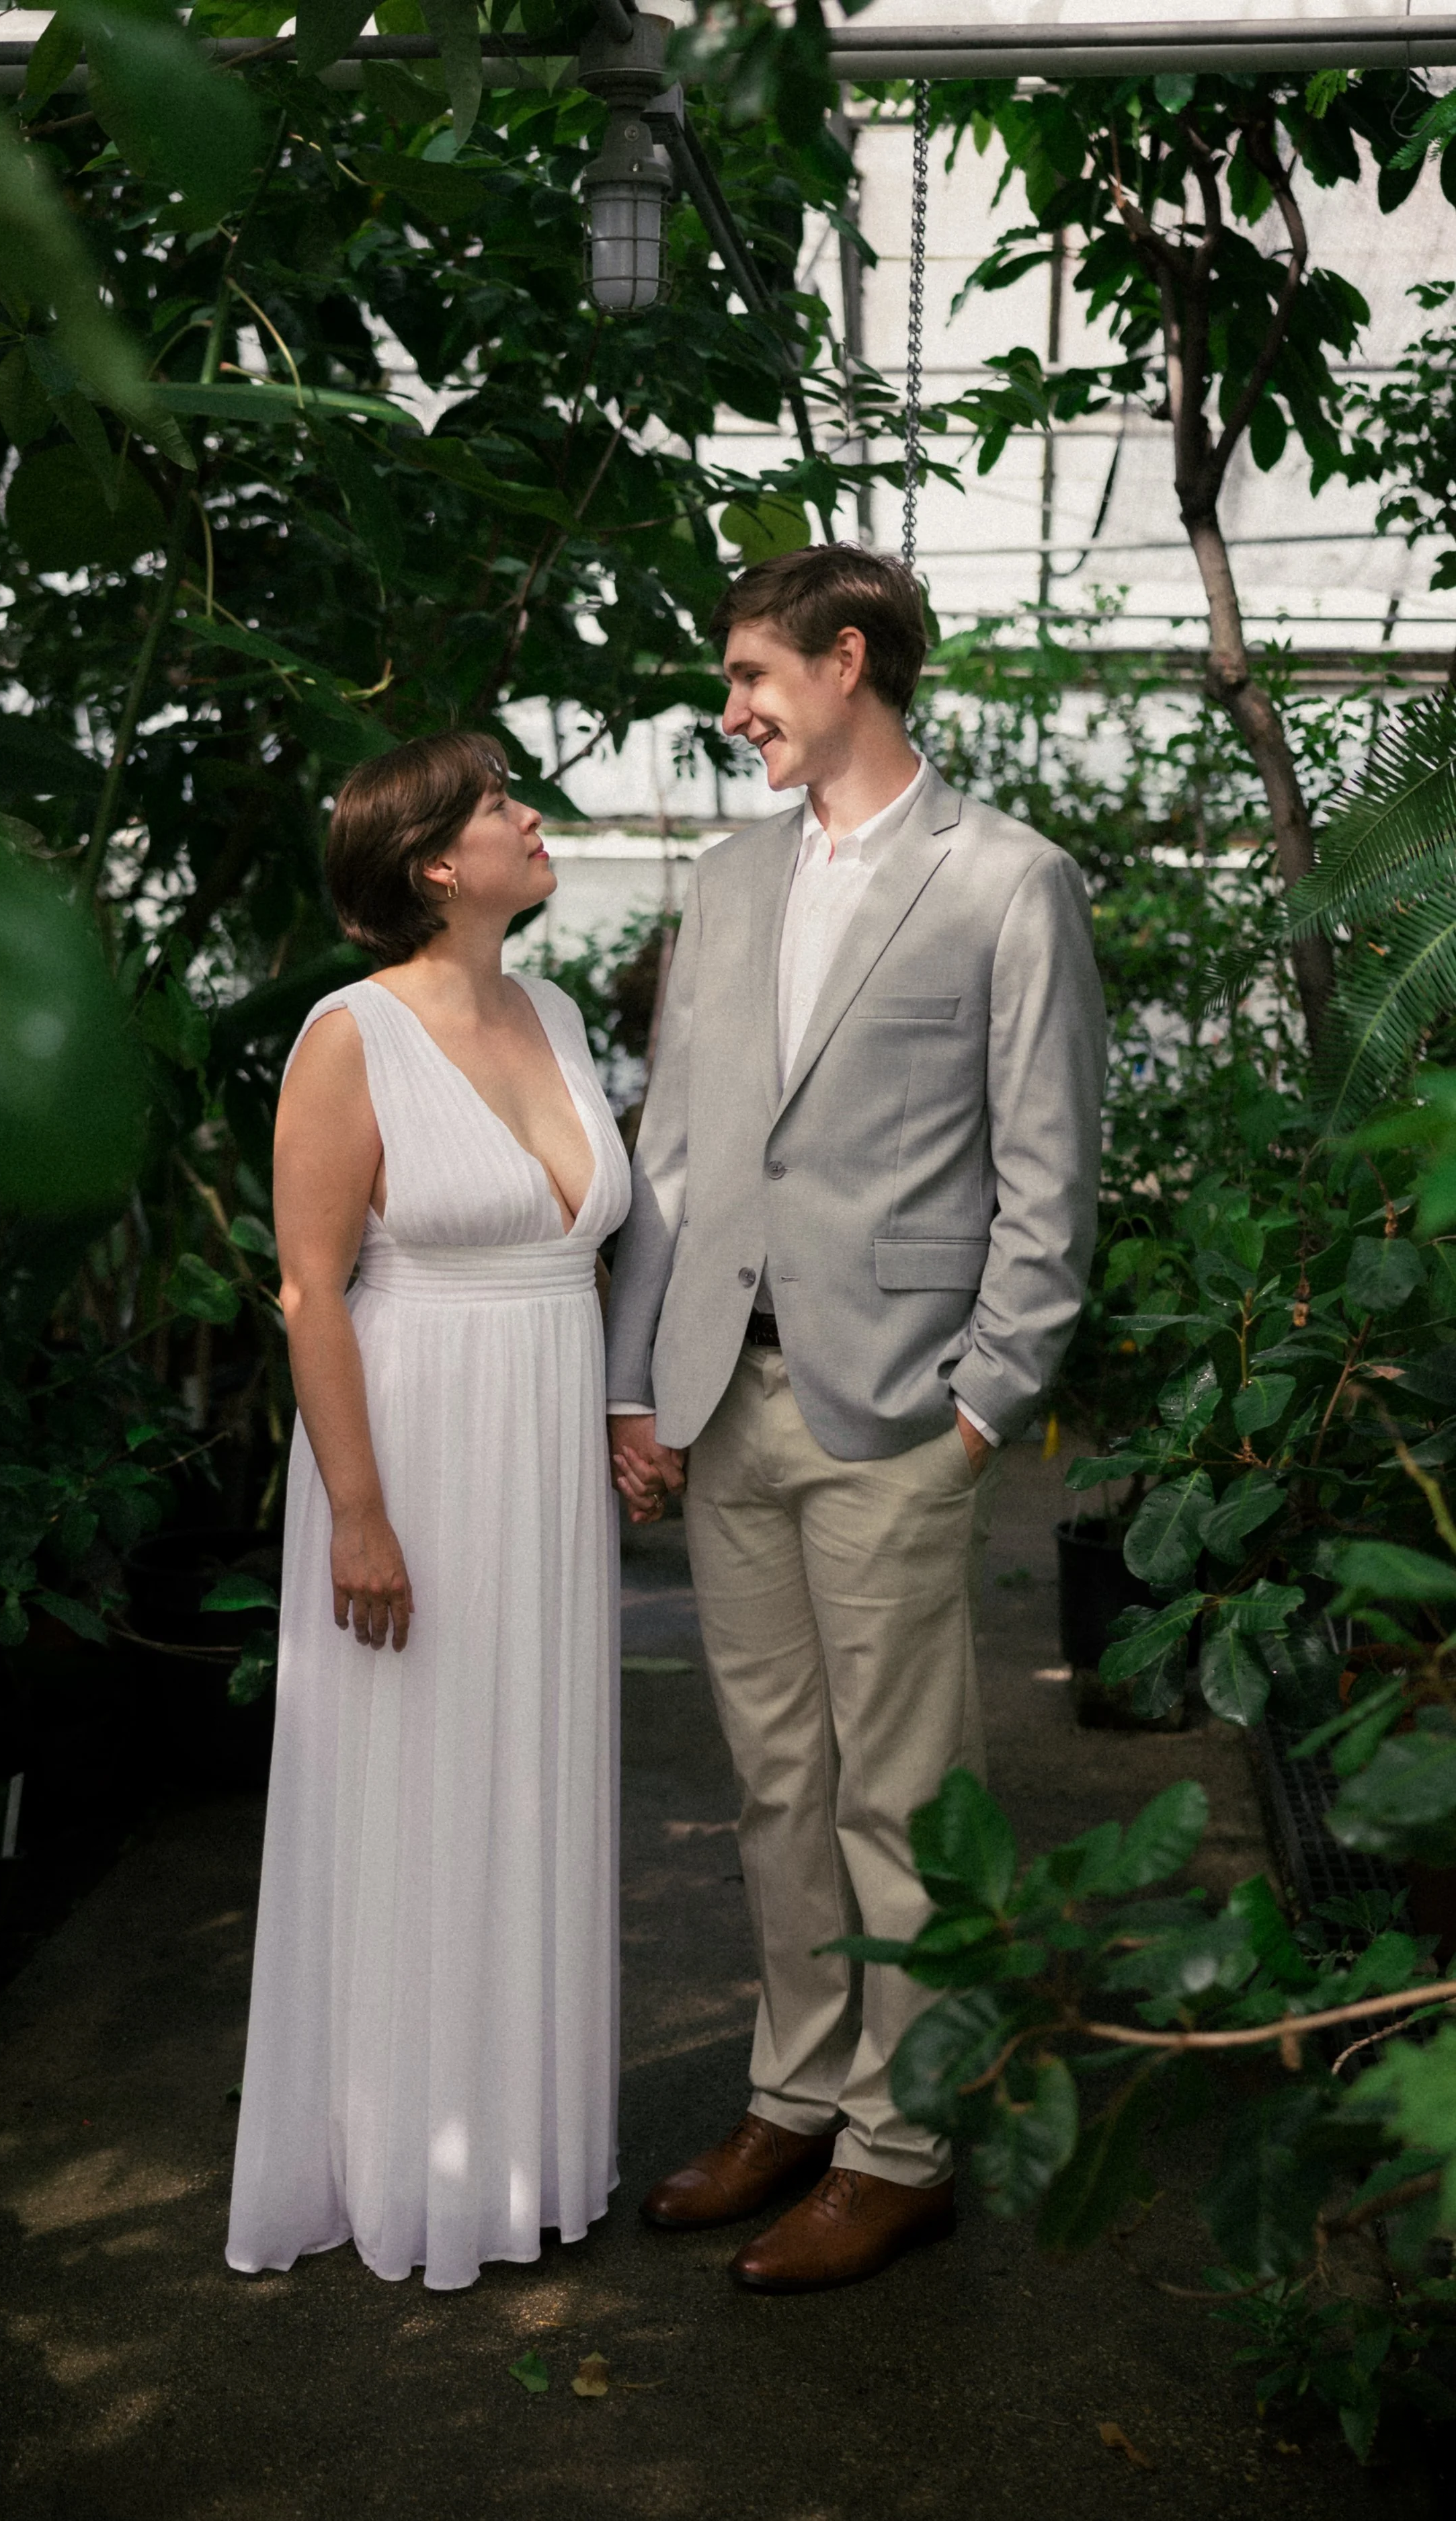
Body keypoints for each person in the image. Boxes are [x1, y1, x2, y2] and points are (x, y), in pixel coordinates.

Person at [606, 545, 1106, 2293]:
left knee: (901, 1793)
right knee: (771, 1783)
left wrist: (978, 1408)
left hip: (897, 1412)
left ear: (844, 661)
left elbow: (1048, 1185)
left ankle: (904, 2145)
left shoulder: (1007, 881)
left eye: (750, 675)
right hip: (719, 1400)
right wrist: (629, 1376)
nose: (730, 708)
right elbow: (673, 1141)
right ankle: (794, 2092)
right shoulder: (729, 872)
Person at [227, 731, 630, 2293]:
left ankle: (519, 2149)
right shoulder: (348, 1036)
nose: (533, 820)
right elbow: (309, 1288)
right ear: (432, 866)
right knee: (418, 1784)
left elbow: (578, 1250)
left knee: (527, 1777)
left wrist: (613, 1416)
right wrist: (358, 1515)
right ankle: (402, 2163)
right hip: (409, 1445)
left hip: (540, 1453)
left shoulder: (561, 1012)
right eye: (500, 807)